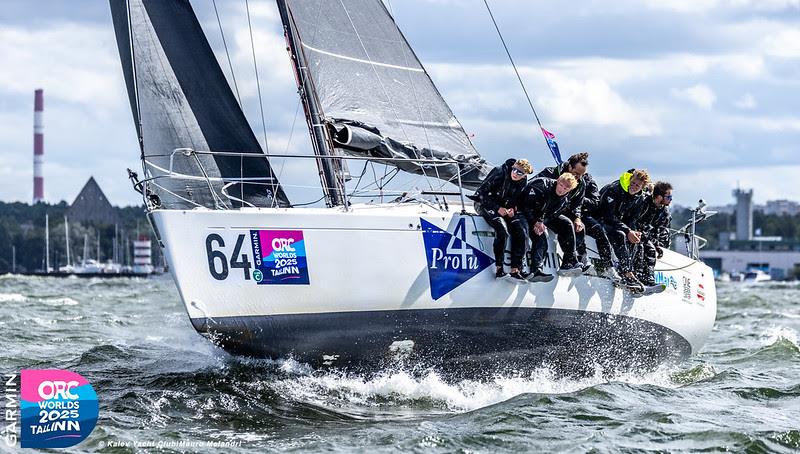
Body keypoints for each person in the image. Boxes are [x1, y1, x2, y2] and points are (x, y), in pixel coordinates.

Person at [469, 158, 533, 278]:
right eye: (514, 169)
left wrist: (512, 209)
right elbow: (480, 194)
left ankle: (515, 270)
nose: (515, 173)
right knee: (502, 230)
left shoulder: (523, 182)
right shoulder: (500, 171)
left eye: (520, 173)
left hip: (502, 208)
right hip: (484, 204)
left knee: (521, 231)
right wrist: (497, 208)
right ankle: (499, 268)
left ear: (525, 175)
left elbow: (517, 200)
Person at [536, 152, 597, 273]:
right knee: (566, 223)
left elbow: (577, 204)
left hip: (555, 212)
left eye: (582, 175)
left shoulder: (581, 183)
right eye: (576, 173)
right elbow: (531, 187)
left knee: (577, 225)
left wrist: (578, 218)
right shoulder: (550, 172)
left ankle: (572, 261)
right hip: (539, 211)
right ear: (569, 167)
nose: (578, 177)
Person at [520, 173, 580, 282]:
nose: (562, 190)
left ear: (570, 190)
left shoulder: (564, 200)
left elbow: (552, 215)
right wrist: (535, 222)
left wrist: (541, 223)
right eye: (561, 185)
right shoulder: (541, 185)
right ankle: (524, 269)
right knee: (538, 237)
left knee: (565, 224)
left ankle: (569, 260)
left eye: (566, 188)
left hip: (538, 218)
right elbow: (524, 205)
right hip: (521, 212)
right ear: (557, 180)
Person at [596, 169, 650, 289]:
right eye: (633, 183)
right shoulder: (614, 189)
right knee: (620, 234)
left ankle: (631, 275)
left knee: (636, 241)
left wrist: (633, 232)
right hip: (600, 220)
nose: (634, 187)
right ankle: (627, 273)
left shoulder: (639, 198)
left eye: (638, 186)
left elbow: (632, 220)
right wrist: (627, 231)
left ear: (642, 187)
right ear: (630, 179)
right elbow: (608, 215)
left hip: (617, 224)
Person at [634, 181, 673, 286]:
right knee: (640, 247)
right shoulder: (644, 203)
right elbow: (633, 220)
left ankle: (648, 278)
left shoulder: (663, 211)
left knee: (651, 249)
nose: (671, 200)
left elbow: (656, 230)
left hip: (644, 234)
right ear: (659, 197)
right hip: (633, 230)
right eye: (669, 197)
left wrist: (657, 245)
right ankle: (637, 276)